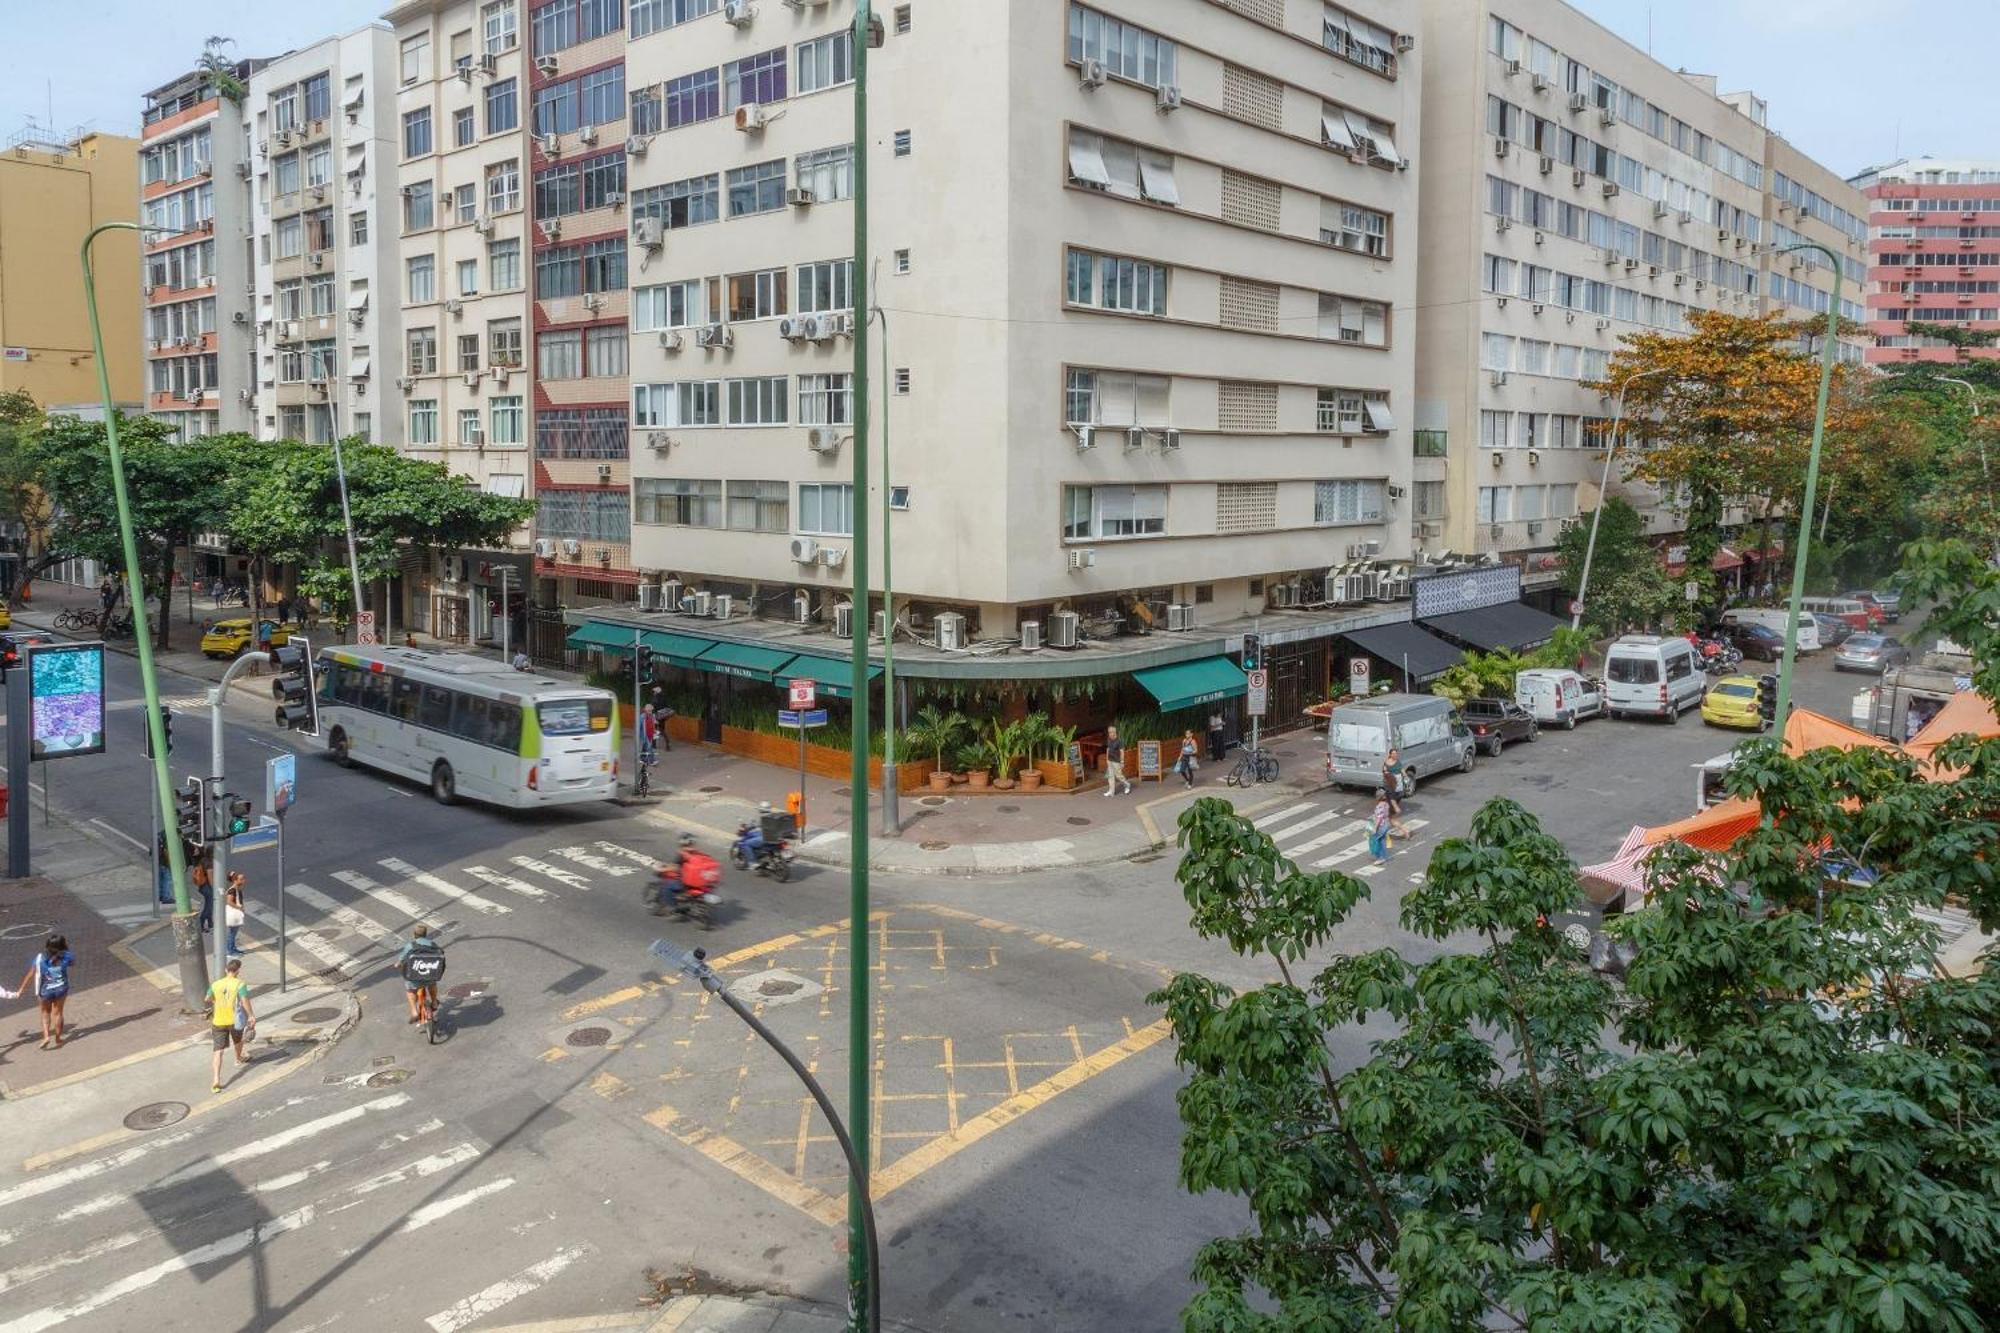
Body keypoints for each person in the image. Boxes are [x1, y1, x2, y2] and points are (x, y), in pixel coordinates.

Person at [16, 935, 75, 1050]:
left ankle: (46, 1037)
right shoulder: (67, 956)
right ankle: (58, 1038)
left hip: (45, 991)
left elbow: (30, 975)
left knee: (45, 1013)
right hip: (61, 989)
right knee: (58, 1013)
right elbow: (72, 963)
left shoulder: (40, 958)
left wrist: (21, 989)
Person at [206, 956, 253, 1092]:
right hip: (234, 1020)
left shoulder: (216, 984)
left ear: (226, 970)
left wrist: (216, 1002)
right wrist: (251, 1015)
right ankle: (238, 1058)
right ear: (238, 971)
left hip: (218, 1021)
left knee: (218, 1051)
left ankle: (216, 1079)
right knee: (237, 1040)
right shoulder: (240, 984)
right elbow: (244, 1001)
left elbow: (207, 998)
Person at [398, 925, 445, 1024]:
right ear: (425, 934)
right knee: (432, 984)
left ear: (414, 935)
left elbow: (401, 960)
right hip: (430, 975)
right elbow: (440, 954)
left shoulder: (411, 946)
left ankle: (414, 1011)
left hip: (415, 977)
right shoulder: (433, 944)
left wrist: (397, 964)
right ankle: (434, 1002)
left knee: (410, 990)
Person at [1380, 748, 1410, 837]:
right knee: (1386, 815)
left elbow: (1392, 797)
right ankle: (1382, 831)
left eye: (1396, 754)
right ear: (1390, 754)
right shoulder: (1386, 764)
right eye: (1393, 754)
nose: (1395, 755)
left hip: (1396, 793)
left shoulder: (1390, 783)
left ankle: (1405, 831)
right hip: (1397, 792)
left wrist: (1396, 807)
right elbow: (1384, 768)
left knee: (1391, 818)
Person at [1102, 725, 1132, 797]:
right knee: (1110, 776)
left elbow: (1122, 751)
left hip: (1116, 761)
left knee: (1119, 776)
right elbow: (1108, 749)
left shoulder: (1119, 741)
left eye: (1111, 732)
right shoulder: (1109, 739)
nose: (1110, 734)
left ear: (1115, 732)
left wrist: (1122, 761)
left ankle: (1127, 785)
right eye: (1109, 732)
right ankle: (1111, 791)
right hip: (1110, 760)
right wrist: (1107, 759)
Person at [223, 871, 247, 957]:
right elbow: (229, 901)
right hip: (233, 914)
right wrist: (239, 907)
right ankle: (230, 952)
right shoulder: (232, 890)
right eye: (241, 879)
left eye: (243, 878)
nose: (244, 880)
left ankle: (233, 949)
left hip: (235, 913)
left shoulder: (236, 889)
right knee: (231, 933)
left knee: (233, 933)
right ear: (235, 880)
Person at [1368, 789, 1392, 864]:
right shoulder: (1386, 804)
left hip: (1381, 825)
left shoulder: (1380, 806)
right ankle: (1384, 856)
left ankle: (1380, 857)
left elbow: (1379, 818)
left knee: (1376, 840)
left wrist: (1375, 828)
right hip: (1387, 823)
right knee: (1382, 840)